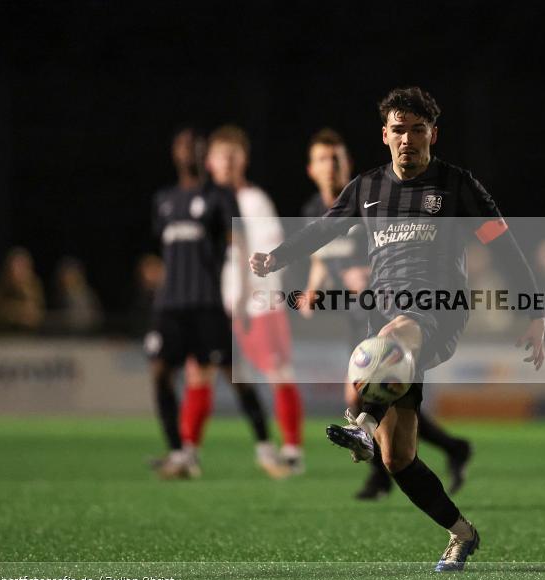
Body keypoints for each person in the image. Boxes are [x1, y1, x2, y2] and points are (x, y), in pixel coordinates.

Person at [251, 87, 545, 571]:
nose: (407, 139)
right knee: (399, 458)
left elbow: (505, 247)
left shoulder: (458, 186)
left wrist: (535, 312)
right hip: (384, 319)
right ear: (385, 135)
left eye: (417, 129)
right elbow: (323, 230)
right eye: (399, 130)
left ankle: (361, 423)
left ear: (433, 133)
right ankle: (461, 532)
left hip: (439, 312)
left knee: (398, 334)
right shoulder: (366, 188)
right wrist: (276, 258)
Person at [301, 127, 472, 500]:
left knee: (367, 392)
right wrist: (314, 289)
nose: (331, 167)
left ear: (346, 163)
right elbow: (321, 256)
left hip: (389, 309)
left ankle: (380, 474)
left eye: (337, 159)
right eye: (322, 160)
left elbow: (396, 248)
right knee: (382, 394)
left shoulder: (369, 200)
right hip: (355, 313)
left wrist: (368, 274)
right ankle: (448, 448)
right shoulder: (314, 211)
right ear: (311, 169)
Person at [148, 126, 283, 480]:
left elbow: (238, 246)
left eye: (196, 146)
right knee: (162, 373)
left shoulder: (221, 197)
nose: (188, 151)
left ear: (203, 155)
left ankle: (265, 446)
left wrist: (239, 297)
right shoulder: (164, 199)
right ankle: (181, 453)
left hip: (208, 303)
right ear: (175, 153)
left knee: (235, 377)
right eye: (182, 145)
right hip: (172, 306)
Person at [208, 124, 306, 475]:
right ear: (209, 162)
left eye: (232, 157)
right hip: (221, 305)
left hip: (257, 305)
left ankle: (292, 450)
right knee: (203, 372)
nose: (226, 164)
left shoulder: (254, 201)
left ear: (243, 160)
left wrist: (252, 297)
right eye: (220, 157)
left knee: (278, 372)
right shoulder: (208, 202)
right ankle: (187, 450)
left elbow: (267, 255)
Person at [0, 247, 46, 332]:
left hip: (29, 339)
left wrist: (23, 290)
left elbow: (35, 315)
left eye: (22, 268)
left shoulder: (33, 284)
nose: (17, 272)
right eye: (15, 268)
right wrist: (18, 312)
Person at [53, 256, 103, 334]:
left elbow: (95, 318)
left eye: (71, 274)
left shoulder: (87, 295)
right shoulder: (59, 296)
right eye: (65, 274)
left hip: (86, 335)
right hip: (65, 336)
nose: (67, 278)